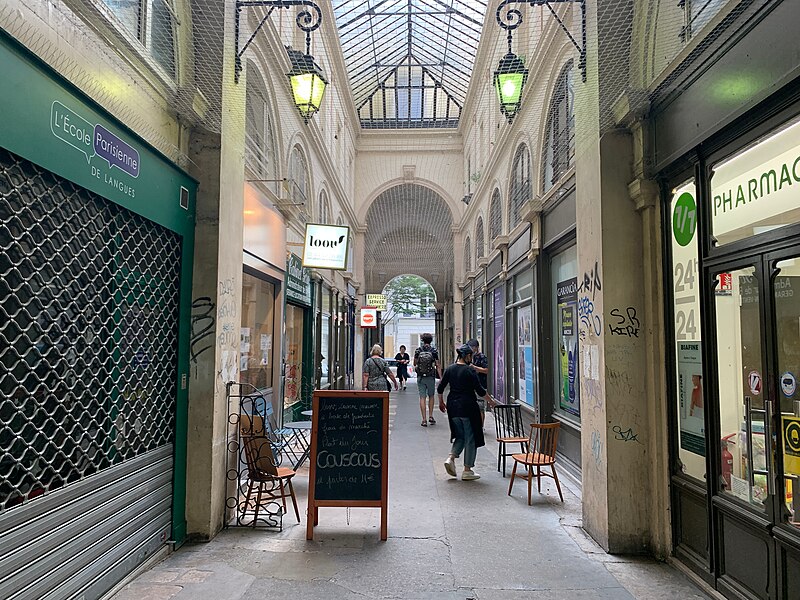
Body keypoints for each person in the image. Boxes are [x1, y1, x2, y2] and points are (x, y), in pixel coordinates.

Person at [438, 344, 495, 481]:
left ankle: (451, 458)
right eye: (471, 356)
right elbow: (480, 391)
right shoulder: (470, 371)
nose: (472, 359)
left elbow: (440, 388)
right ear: (467, 356)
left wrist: (441, 402)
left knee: (460, 435)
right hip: (467, 407)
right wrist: (491, 402)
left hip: (452, 407)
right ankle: (467, 470)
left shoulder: (450, 369)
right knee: (470, 437)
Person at [414, 333, 441, 427]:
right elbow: (438, 365)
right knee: (431, 396)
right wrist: (441, 377)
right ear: (431, 340)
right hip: (430, 376)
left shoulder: (418, 350)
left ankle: (424, 419)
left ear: (422, 340)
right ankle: (431, 416)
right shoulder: (434, 351)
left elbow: (414, 363)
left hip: (421, 376)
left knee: (422, 397)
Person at [466, 339, 489, 426]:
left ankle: (480, 427)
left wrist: (475, 368)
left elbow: (486, 370)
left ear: (476, 348)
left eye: (472, 347)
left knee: (480, 407)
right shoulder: (469, 357)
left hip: (481, 384)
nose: (471, 349)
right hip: (470, 386)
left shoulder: (482, 357)